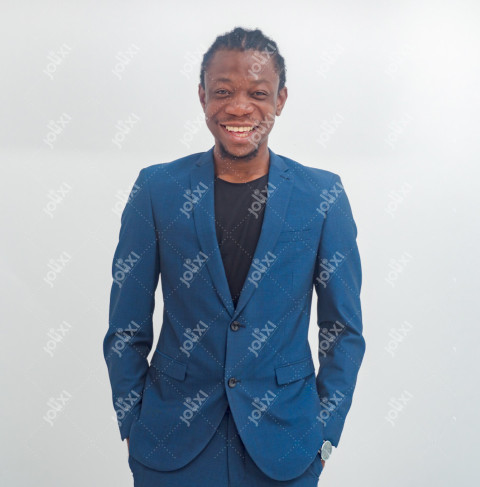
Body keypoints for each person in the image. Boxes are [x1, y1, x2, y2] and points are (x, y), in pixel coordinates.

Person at [103, 26, 366, 487]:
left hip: (286, 448)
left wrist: (325, 437)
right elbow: (126, 327)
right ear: (202, 95)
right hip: (170, 446)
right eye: (223, 91)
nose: (240, 107)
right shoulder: (157, 190)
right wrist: (132, 426)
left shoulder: (322, 196)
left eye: (258, 93)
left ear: (281, 99)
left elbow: (342, 331)